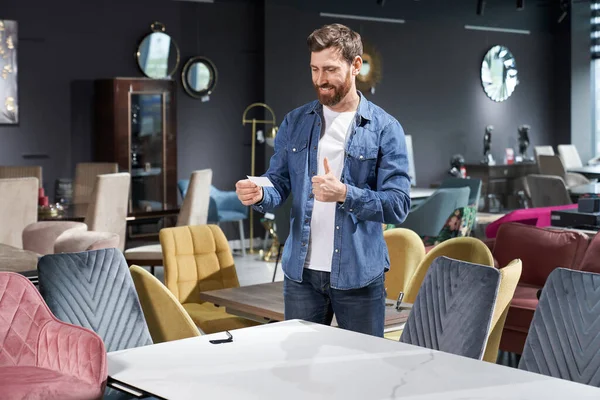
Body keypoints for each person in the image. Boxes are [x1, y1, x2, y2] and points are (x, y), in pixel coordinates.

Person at [235, 23, 411, 337]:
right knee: (300, 373)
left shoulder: (385, 128)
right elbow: (279, 181)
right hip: (301, 275)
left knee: (359, 371)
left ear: (356, 65)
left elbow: (398, 205)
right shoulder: (295, 121)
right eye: (314, 69)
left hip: (358, 276)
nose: (320, 80)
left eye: (329, 70)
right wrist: (259, 192)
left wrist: (345, 193)